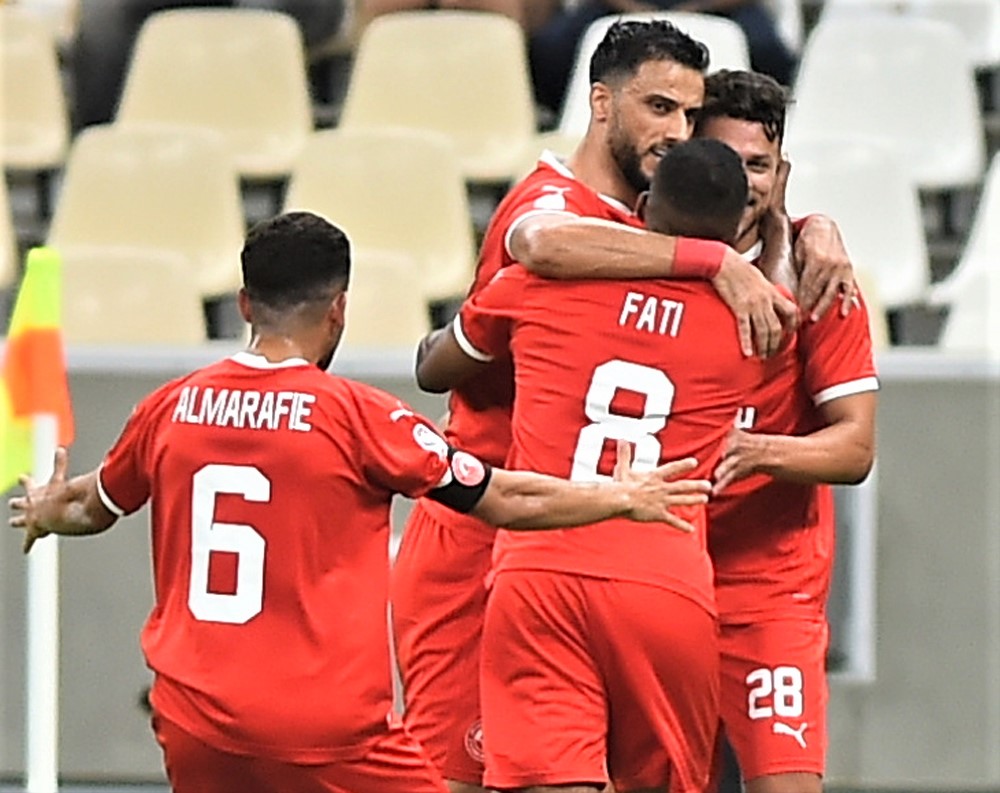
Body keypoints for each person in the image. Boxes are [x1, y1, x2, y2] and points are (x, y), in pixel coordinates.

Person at [8, 211, 714, 793]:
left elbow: (91, 506)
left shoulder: (170, 407)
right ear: (339, 308)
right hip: (327, 732)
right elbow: (504, 498)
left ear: (245, 304)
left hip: (195, 723)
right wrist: (616, 495)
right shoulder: (356, 416)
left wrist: (43, 508)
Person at [390, 19, 852, 793]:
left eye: (688, 114)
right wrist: (716, 261)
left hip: (580, 543)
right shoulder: (554, 205)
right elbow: (541, 243)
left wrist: (807, 225)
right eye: (658, 107)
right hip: (483, 531)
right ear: (600, 103)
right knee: (458, 779)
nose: (676, 132)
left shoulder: (641, 223)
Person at [415, 137, 763, 793]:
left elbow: (435, 368)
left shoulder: (536, 287)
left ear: (642, 208)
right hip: (665, 580)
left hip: (539, 572)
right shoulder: (756, 323)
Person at [694, 70, 879, 793]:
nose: (743, 183)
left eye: (759, 165)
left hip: (770, 596)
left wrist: (757, 451)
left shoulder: (820, 279)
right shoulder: (637, 263)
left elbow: (855, 447)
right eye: (725, 161)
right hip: (659, 583)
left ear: (782, 175)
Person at [528, 0, 797, 117]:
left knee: (768, 52)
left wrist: (695, 9)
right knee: (551, 48)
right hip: (623, 4)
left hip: (717, 5)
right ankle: (565, 117)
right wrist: (636, 9)